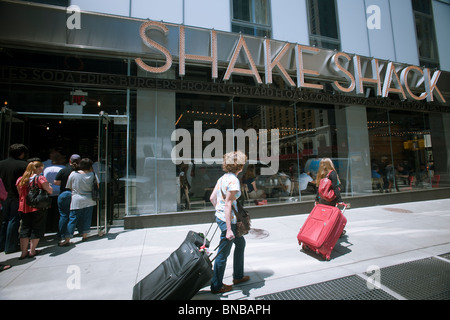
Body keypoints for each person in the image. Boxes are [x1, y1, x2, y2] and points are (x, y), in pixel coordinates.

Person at [209, 151, 250, 294]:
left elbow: (212, 198)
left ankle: (238, 276)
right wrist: (228, 229)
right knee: (222, 254)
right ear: (239, 166)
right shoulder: (234, 181)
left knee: (241, 243)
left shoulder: (222, 178)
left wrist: (219, 212)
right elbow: (227, 204)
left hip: (221, 217)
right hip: (229, 222)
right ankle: (216, 286)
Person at [16, 161, 53, 259]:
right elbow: (49, 190)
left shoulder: (21, 179)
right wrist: (50, 187)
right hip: (37, 206)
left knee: (24, 228)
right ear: (39, 168)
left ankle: (23, 253)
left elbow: (20, 194)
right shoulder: (40, 178)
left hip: (23, 207)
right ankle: (32, 251)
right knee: (37, 227)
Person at [59, 158, 98, 246]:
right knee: (87, 218)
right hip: (89, 198)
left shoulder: (73, 174)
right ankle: (84, 236)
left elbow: (69, 186)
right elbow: (97, 186)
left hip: (77, 198)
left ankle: (67, 239)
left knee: (73, 218)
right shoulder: (93, 174)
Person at [0, 144, 28, 255]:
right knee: (14, 220)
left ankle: (2, 244)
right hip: (17, 196)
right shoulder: (24, 165)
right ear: (22, 153)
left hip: (3, 197)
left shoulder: (1, 164)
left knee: (4, 221)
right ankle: (10, 246)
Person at [54, 154, 81, 245]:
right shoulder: (80, 171)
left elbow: (56, 182)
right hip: (76, 194)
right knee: (74, 215)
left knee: (64, 215)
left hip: (64, 193)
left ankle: (62, 235)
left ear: (70, 161)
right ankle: (71, 233)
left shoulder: (64, 170)